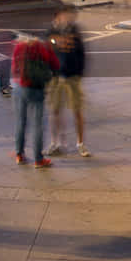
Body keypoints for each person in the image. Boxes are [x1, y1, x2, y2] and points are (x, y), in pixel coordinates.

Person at [45, 8, 91, 159]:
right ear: (57, 16)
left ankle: (80, 143)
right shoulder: (50, 32)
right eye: (65, 15)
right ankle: (55, 143)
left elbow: (81, 54)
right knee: (55, 111)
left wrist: (78, 73)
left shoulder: (75, 31)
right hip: (56, 78)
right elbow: (45, 53)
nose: (68, 18)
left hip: (72, 77)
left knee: (77, 110)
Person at [9, 31, 59, 167]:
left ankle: (19, 154)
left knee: (20, 122)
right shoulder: (44, 47)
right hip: (37, 88)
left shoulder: (19, 47)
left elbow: (14, 68)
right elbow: (55, 65)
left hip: (20, 88)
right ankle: (38, 159)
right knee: (37, 125)